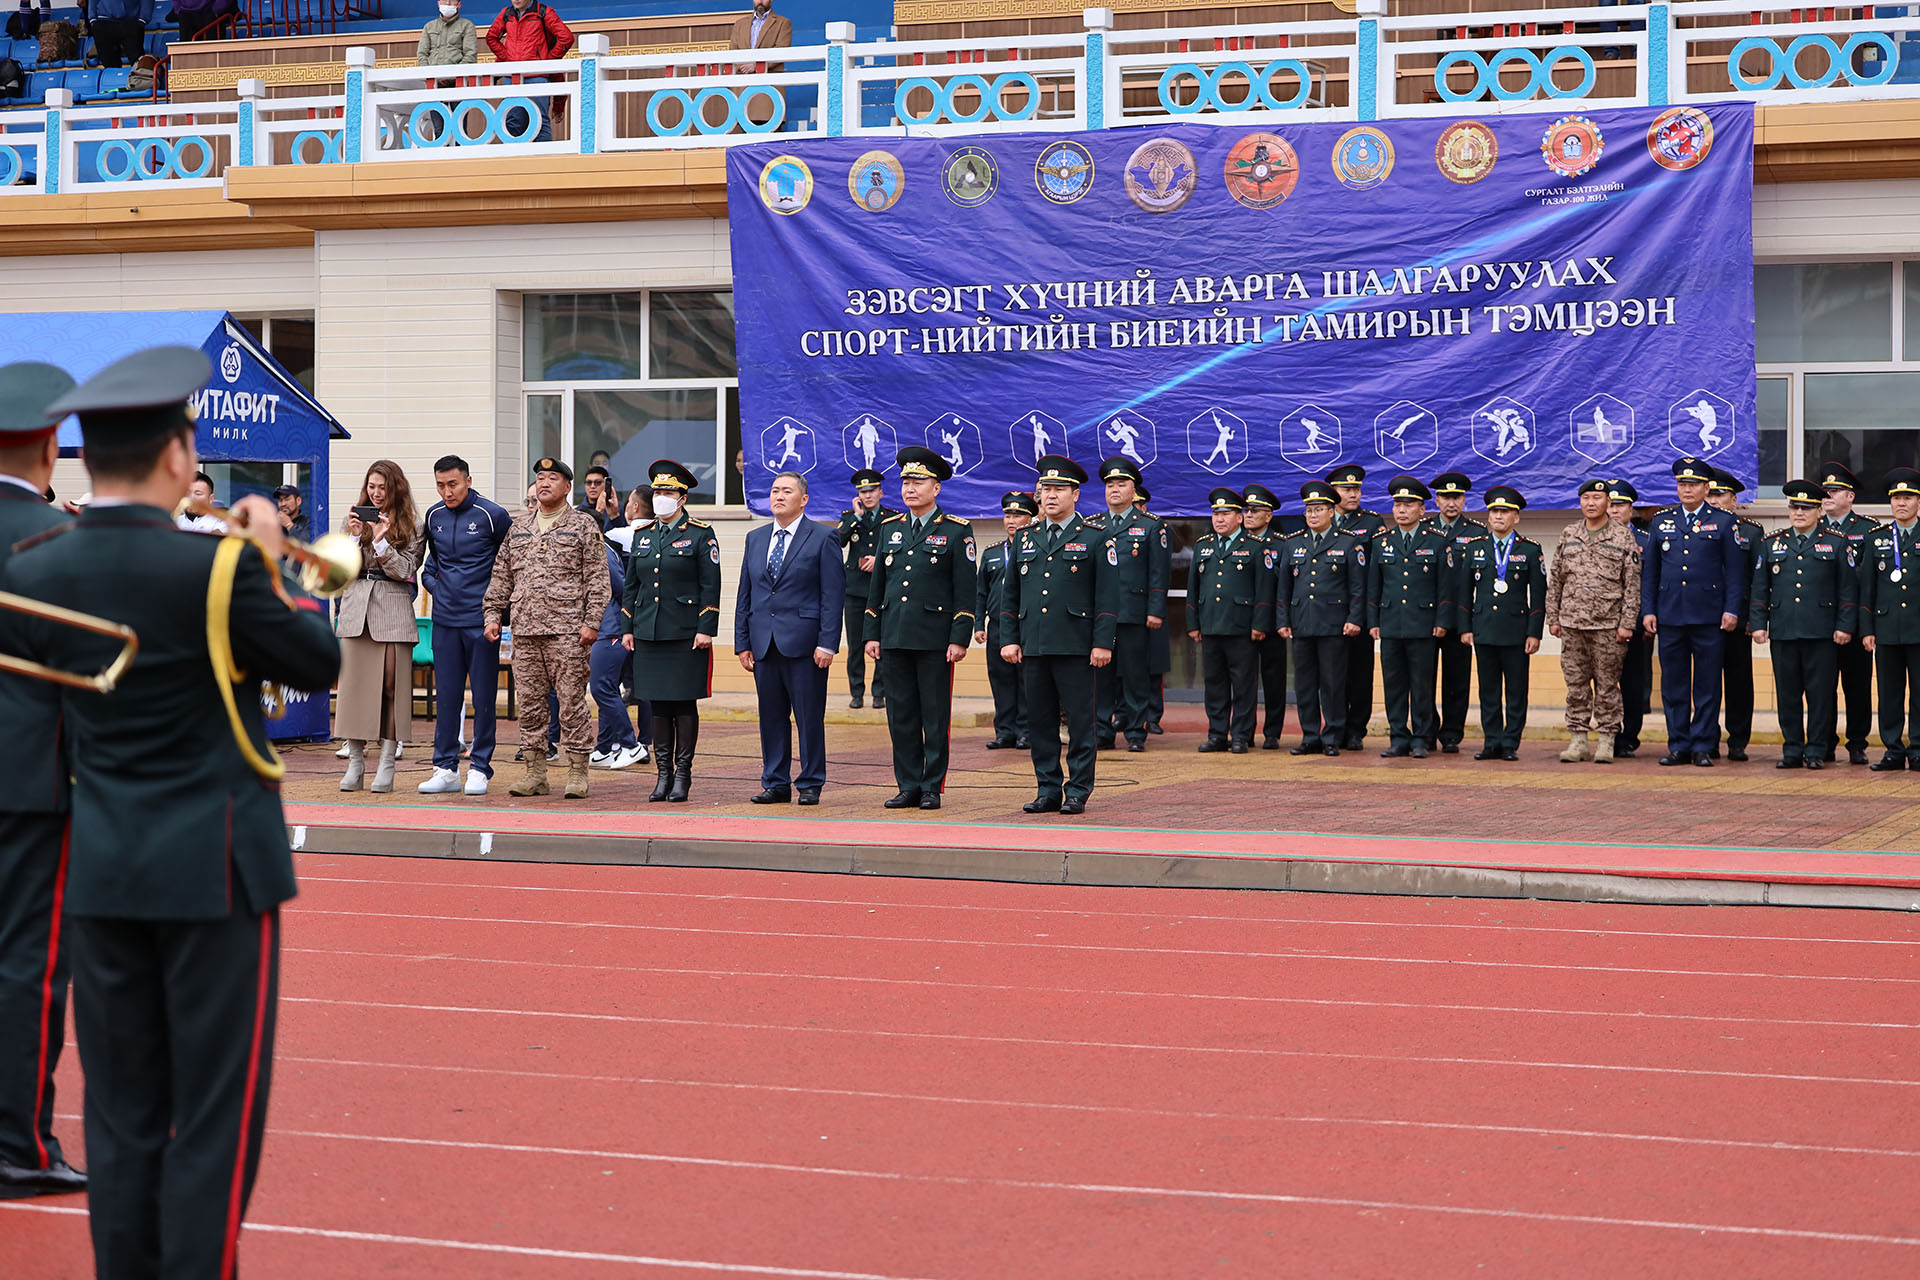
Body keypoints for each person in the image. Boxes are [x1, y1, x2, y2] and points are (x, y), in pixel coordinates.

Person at [0, 345, 339, 1277]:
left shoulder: (34, 567)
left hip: (103, 863)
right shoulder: (221, 569)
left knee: (120, 1115)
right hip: (217, 865)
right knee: (214, 1115)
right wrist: (276, 561)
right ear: (181, 455)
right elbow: (317, 660)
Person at [0, 360, 85, 1201]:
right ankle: (16, 1145)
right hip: (32, 779)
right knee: (27, 963)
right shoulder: (60, 539)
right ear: (53, 443)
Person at [482, 457, 608, 798]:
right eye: (540, 478)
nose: (544, 483)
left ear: (567, 487)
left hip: (567, 631)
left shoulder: (583, 525)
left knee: (570, 702)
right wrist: (493, 615)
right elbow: (501, 576)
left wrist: (592, 622)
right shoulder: (518, 528)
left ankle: (578, 771)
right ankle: (535, 772)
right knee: (531, 703)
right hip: (524, 631)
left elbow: (598, 579)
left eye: (552, 478)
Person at [999, 455, 1115, 815]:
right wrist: (1009, 637)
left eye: (1058, 490)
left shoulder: (1095, 537)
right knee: (1040, 721)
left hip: (1077, 645)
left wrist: (1101, 642)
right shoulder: (1027, 537)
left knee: (1081, 721)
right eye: (1045, 489)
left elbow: (1108, 596)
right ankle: (1047, 788)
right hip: (1034, 644)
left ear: (1075, 494)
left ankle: (1078, 789)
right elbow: (1011, 593)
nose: (1050, 496)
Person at [864, 446, 975, 810]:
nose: (910, 488)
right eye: (906, 482)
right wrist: (872, 633)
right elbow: (877, 586)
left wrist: (959, 637)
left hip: (934, 640)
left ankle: (931, 785)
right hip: (895, 636)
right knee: (901, 715)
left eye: (919, 481)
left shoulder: (957, 532)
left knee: (934, 715)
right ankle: (908, 784)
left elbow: (965, 591)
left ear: (936, 488)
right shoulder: (889, 529)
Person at [736, 471, 843, 805]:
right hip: (764, 642)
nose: (778, 496)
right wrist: (742, 642)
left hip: (805, 643)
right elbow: (745, 593)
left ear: (804, 499)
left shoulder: (822, 538)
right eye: (774, 490)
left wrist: (827, 642)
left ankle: (810, 782)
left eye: (786, 491)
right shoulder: (756, 538)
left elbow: (833, 595)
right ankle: (775, 781)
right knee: (771, 715)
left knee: (808, 715)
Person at [621, 459, 719, 803]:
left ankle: (682, 775)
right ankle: (662, 775)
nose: (662, 497)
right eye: (658, 491)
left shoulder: (700, 534)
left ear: (682, 499)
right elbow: (631, 586)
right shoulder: (642, 535)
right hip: (649, 631)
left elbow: (711, 585)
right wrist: (627, 627)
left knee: (682, 704)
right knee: (658, 705)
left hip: (685, 633)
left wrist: (706, 628)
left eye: (669, 492)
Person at [416, 455, 512, 795]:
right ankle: (445, 768)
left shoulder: (493, 515)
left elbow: (509, 565)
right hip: (445, 621)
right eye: (440, 485)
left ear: (468, 481)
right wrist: (438, 588)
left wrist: (499, 612)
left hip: (481, 620)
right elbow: (430, 566)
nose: (447, 492)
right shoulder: (433, 516)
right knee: (447, 697)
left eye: (453, 484)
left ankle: (480, 768)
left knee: (484, 696)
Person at [1642, 457, 1743, 766]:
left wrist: (1731, 610)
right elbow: (1651, 573)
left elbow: (1735, 573)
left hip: (1709, 615)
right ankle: (1679, 745)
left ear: (1705, 487)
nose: (1687, 490)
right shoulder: (1662, 521)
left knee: (1708, 684)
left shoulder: (1724, 521)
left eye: (1693, 485)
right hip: (1670, 615)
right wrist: (1649, 610)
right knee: (1673, 684)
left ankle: (1702, 744)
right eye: (1682, 484)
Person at [1751, 479, 1856, 769]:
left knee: (1820, 695)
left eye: (1806, 508)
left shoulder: (1836, 542)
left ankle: (1816, 750)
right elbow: (1760, 588)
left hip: (1821, 631)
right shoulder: (1771, 543)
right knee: (1787, 694)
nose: (1799, 513)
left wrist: (1844, 625)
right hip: (1784, 630)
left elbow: (1847, 590)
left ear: (1818, 511)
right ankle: (1792, 749)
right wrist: (1758, 623)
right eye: (1794, 507)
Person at [334, 460, 422, 793]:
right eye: (371, 486)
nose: (376, 493)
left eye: (383, 488)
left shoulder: (413, 525)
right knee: (353, 688)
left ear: (395, 488)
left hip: (393, 608)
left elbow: (406, 571)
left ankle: (387, 763)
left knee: (390, 689)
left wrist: (382, 543)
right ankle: (356, 763)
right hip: (357, 608)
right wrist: (357, 539)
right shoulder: (351, 520)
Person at [1545, 479, 1641, 764]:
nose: (1590, 503)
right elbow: (1557, 579)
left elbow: (1632, 586)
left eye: (1596, 498)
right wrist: (1554, 617)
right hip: (1573, 624)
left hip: (1608, 626)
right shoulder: (1569, 533)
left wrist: (1627, 624)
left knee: (1607, 685)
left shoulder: (1623, 537)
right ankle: (1578, 741)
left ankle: (1607, 740)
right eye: (1586, 497)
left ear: (1608, 503)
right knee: (1575, 685)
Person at [1453, 485, 1545, 760]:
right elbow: (1463, 592)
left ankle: (1510, 743)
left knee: (1516, 690)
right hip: (1484, 629)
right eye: (1494, 512)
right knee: (1488, 691)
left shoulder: (1530, 550)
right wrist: (1465, 627)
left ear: (1516, 517)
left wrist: (1534, 633)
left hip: (1516, 632)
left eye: (1505, 512)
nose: (1498, 517)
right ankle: (1491, 741)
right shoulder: (1475, 549)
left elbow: (1539, 596)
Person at [1277, 481, 1364, 755]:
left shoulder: (1348, 542)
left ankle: (1332, 737)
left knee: (1332, 683)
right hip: (1302, 623)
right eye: (1309, 510)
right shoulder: (1293, 544)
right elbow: (1283, 588)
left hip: (1333, 625)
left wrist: (1354, 618)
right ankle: (1310, 736)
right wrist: (1282, 620)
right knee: (1304, 685)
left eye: (1319, 510)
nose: (1313, 515)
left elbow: (1358, 588)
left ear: (1331, 512)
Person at [1368, 475, 1451, 758]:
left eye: (1409, 505)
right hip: (1391, 624)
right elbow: (1373, 586)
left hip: (1423, 625)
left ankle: (1420, 737)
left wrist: (1442, 621)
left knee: (1422, 685)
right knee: (1394, 684)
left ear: (1422, 510)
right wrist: (1374, 621)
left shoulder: (1437, 542)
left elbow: (1445, 587)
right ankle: (1398, 737)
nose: (1401, 510)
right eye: (1397, 505)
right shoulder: (1381, 541)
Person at [1092, 457, 1167, 752]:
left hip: (1134, 613)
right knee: (1101, 675)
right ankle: (1102, 730)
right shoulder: (1093, 525)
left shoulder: (1150, 526)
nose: (1114, 489)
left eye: (1121, 484)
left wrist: (1155, 609)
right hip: (1100, 616)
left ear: (1133, 490)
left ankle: (1136, 730)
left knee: (1135, 674)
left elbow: (1158, 571)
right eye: (1110, 484)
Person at [1187, 486, 1267, 753]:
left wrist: (1259, 624)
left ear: (1240, 518)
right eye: (1216, 514)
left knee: (1244, 685)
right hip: (1211, 626)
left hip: (1241, 627)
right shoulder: (1203, 546)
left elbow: (1263, 590)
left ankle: (1241, 735)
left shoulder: (1254, 547)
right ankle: (1217, 734)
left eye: (1226, 514)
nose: (1219, 519)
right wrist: (1193, 624)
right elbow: (1193, 590)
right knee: (1215, 685)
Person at [1818, 462, 1879, 764]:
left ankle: (1857, 743)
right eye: (1825, 492)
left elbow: (1869, 584)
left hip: (1855, 625)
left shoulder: (1867, 530)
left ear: (1850, 496)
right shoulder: (1814, 528)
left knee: (1857, 687)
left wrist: (1866, 625)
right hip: (1822, 624)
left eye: (1834, 491)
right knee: (1822, 688)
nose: (1827, 496)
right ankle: (1825, 741)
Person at [1860, 466, 1920, 771]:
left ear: (1918, 502)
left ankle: (1919, 749)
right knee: (1889, 693)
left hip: (1919, 629)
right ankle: (1894, 749)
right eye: (1896, 498)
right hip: (1886, 629)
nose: (1901, 503)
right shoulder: (1877, 538)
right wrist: (1867, 629)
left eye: (1908, 497)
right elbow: (1866, 588)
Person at [1422, 471, 1480, 752]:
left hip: (1460, 617)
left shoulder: (1476, 533)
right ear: (1436, 499)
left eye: (1456, 497)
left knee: (1457, 679)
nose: (1451, 503)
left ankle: (1452, 734)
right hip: (1425, 616)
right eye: (1445, 497)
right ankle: (1426, 729)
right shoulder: (1422, 529)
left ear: (1464, 500)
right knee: (1423, 678)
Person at [1328, 464, 1384, 750]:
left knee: (1360, 674)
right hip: (1327, 613)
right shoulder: (1322, 520)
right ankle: (1333, 728)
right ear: (1333, 492)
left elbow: (1377, 573)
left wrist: (1370, 614)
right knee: (1331, 675)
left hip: (1358, 609)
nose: (1354, 494)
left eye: (1357, 489)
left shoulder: (1372, 524)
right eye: (1347, 489)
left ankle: (1355, 730)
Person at [1708, 469, 1763, 760]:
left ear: (1734, 499)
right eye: (1711, 494)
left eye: (1721, 495)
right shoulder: (1697, 528)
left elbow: (1758, 579)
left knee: (1739, 682)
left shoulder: (1751, 531)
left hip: (1738, 619)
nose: (1715, 501)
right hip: (1704, 618)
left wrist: (1755, 618)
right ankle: (1709, 737)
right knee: (1707, 682)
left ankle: (1738, 740)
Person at [976, 490, 1034, 751]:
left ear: (1030, 518)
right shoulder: (991, 553)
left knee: (1025, 681)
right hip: (997, 626)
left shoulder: (1036, 548)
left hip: (1025, 626)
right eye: (1008, 515)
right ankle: (1004, 731)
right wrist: (978, 624)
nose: (1011, 520)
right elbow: (980, 592)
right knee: (1000, 680)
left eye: (1018, 515)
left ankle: (1025, 731)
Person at [835, 469, 895, 709]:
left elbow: (896, 548)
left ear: (881, 492)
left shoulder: (892, 518)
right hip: (855, 591)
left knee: (880, 641)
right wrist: (857, 518)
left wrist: (877, 560)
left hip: (881, 589)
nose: (868, 496)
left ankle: (879, 692)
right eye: (863, 492)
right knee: (856, 645)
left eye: (871, 491)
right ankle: (856, 692)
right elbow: (838, 541)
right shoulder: (851, 516)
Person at [1607, 479, 1654, 757]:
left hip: (1635, 625)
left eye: (1620, 505)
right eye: (1610, 504)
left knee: (1633, 682)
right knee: (1604, 682)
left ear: (1631, 509)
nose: (1614, 511)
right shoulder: (1592, 538)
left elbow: (1651, 583)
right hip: (1600, 625)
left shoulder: (1646, 541)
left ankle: (1630, 734)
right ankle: (1608, 732)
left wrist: (1649, 616)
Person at [1239, 483, 1288, 748]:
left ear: (1268, 516)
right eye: (1246, 510)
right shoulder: (1238, 542)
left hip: (1271, 624)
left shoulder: (1281, 545)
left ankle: (1272, 732)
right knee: (1244, 681)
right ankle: (1244, 731)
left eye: (1255, 511)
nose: (1248, 515)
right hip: (1243, 624)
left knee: (1273, 679)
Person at [484, 0, 573, 143]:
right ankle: (513, 161)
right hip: (512, 76)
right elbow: (491, 37)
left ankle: (543, 162)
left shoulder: (544, 12)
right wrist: (507, 57)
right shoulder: (507, 13)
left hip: (537, 76)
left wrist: (547, 60)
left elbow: (566, 38)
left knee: (538, 121)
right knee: (512, 121)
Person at [1136, 479, 1172, 735]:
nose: (1135, 507)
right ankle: (1126, 714)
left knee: (1152, 666)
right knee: (1125, 668)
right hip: (1127, 609)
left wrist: (1155, 607)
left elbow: (1160, 570)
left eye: (1138, 503)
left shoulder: (1156, 528)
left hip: (1151, 607)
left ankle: (1153, 714)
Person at [89, 0, 150, 68]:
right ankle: (112, 78)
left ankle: (138, 78)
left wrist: (143, 19)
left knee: (137, 61)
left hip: (131, 22)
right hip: (103, 21)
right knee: (108, 63)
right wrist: (93, 18)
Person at [577, 464, 625, 533]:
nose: (592, 486)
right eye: (589, 483)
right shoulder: (577, 512)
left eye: (598, 482)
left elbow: (624, 537)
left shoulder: (618, 508)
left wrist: (615, 517)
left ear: (607, 484)